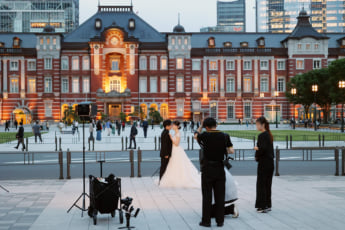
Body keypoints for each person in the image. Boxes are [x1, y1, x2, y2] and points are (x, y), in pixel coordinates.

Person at [194, 118, 231, 227]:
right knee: (220, 196)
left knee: (207, 196)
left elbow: (196, 136)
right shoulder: (225, 135)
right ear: (216, 125)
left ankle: (206, 221)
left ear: (206, 127)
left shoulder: (204, 135)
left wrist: (200, 126)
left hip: (207, 168)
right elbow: (231, 150)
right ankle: (220, 221)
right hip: (219, 168)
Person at [160, 121, 200, 188]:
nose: (172, 126)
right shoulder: (174, 133)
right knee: (173, 165)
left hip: (177, 150)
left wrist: (171, 138)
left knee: (178, 164)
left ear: (177, 126)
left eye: (174, 125)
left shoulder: (178, 133)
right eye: (172, 125)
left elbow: (176, 143)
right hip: (174, 150)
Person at [254, 116, 274, 213]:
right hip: (270, 163)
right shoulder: (269, 135)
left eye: (257, 124)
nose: (256, 126)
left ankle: (262, 206)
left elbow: (262, 149)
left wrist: (256, 149)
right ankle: (267, 204)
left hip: (264, 163)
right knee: (267, 184)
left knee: (261, 184)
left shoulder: (262, 135)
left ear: (263, 125)